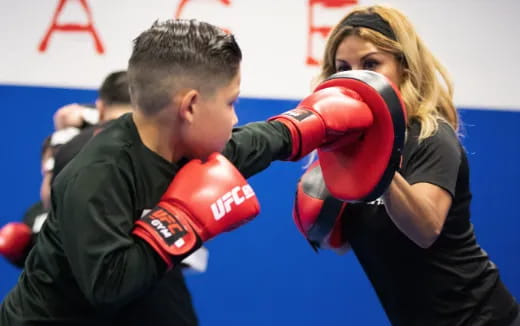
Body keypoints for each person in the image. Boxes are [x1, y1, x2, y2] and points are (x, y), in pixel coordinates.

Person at [0, 18, 390, 325]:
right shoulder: (97, 173)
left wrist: (313, 124)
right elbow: (109, 285)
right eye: (231, 102)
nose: (235, 116)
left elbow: (256, 141)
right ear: (189, 107)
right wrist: (183, 220)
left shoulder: (187, 149)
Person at [294, 4, 519, 326]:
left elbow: (425, 230)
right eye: (343, 67)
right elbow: (343, 243)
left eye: (371, 64)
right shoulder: (346, 146)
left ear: (404, 68)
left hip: (481, 317)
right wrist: (323, 217)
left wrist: (374, 160)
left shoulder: (430, 136)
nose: (356, 76)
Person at [0, 136, 53, 268]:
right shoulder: (34, 213)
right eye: (51, 161)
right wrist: (16, 251)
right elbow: (30, 263)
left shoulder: (84, 203)